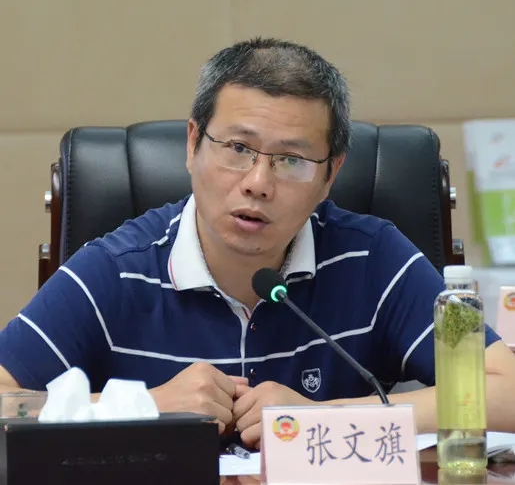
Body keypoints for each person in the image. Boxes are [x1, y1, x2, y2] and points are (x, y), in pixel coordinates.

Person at [0, 38, 514, 448]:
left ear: (331, 174)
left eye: (292, 160)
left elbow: (506, 387)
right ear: (192, 145)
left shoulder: (374, 257)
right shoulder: (114, 269)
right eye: (238, 148)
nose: (258, 183)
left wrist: (317, 419)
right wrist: (145, 406)